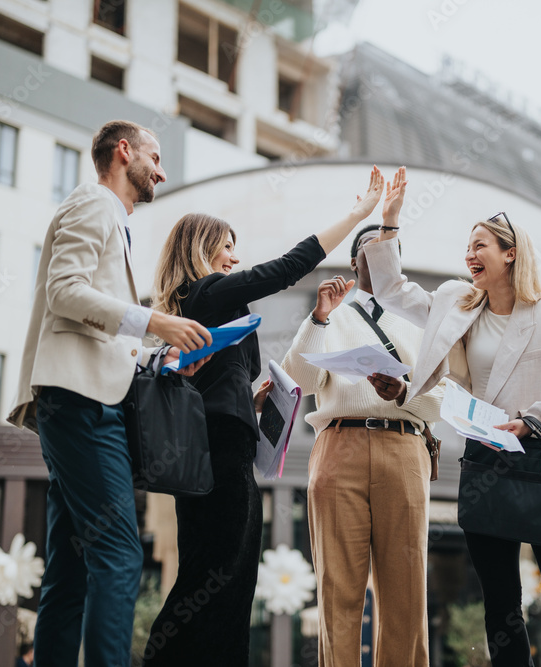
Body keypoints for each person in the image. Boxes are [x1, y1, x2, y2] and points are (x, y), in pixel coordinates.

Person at [364, 168, 541, 667]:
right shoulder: (456, 302)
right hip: (483, 461)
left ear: (510, 253)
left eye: (480, 245)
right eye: (467, 247)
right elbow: (391, 291)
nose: (469, 255)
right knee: (500, 603)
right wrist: (389, 223)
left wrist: (531, 421)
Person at [142, 167, 386, 666]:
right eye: (228, 246)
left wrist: (253, 402)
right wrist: (359, 213)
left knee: (226, 577)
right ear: (201, 249)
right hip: (218, 452)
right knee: (216, 576)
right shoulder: (207, 292)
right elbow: (287, 267)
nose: (236, 256)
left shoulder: (205, 305)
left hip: (227, 446)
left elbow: (211, 381)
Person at [8, 120, 213, 666]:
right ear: (124, 152)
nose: (162, 171)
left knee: (70, 571)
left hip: (82, 399)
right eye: (155, 157)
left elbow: (101, 332)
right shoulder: (95, 205)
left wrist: (157, 355)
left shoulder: (110, 219)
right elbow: (64, 292)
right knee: (120, 556)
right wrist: (156, 323)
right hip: (80, 404)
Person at [280, 224, 444, 667]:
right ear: (353, 262)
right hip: (340, 446)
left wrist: (403, 392)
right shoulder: (332, 316)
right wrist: (319, 317)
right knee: (338, 590)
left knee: (406, 592)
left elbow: (442, 399)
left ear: (397, 260)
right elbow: (301, 379)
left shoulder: (423, 319)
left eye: (386, 249)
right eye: (366, 249)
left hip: (404, 447)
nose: (375, 255)